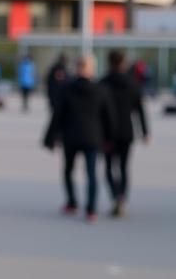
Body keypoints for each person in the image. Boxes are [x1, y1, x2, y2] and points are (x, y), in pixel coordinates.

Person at [43, 55, 112, 222]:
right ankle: (91, 209)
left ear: (76, 68)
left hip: (71, 136)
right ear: (92, 69)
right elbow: (109, 117)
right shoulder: (101, 89)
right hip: (93, 137)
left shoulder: (67, 89)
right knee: (91, 174)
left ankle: (72, 202)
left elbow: (57, 115)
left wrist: (50, 138)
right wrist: (109, 138)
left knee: (68, 170)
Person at [101, 49, 149, 217]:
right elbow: (140, 109)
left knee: (108, 167)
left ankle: (115, 196)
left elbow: (97, 110)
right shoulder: (132, 83)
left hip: (107, 132)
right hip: (126, 131)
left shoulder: (103, 83)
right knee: (123, 166)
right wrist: (145, 131)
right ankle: (121, 198)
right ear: (123, 63)